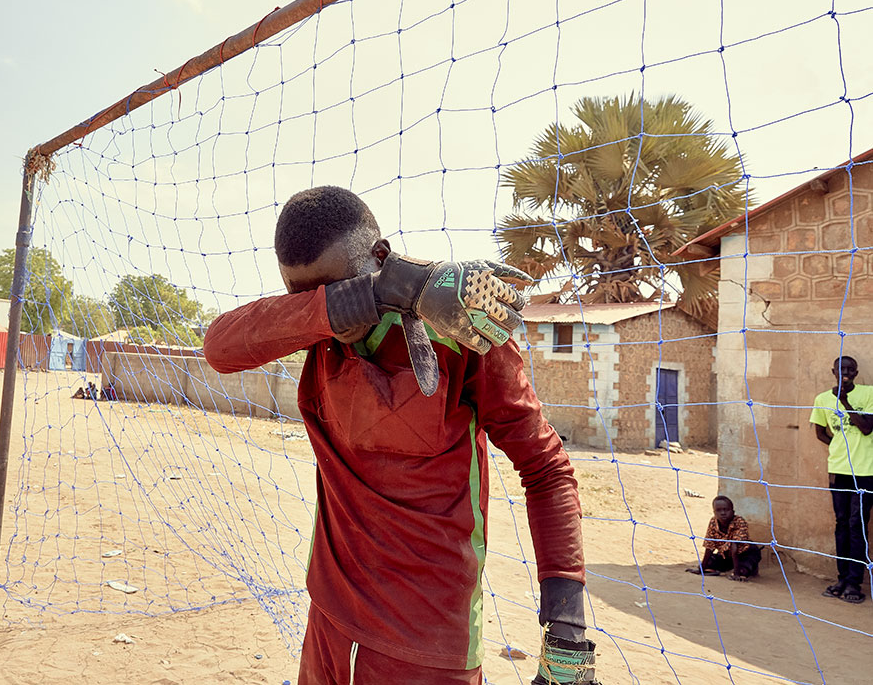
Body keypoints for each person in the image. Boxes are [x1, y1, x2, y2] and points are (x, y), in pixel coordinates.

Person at [203, 186, 597, 685]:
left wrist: (566, 624)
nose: (328, 312)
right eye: (310, 299)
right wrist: (351, 299)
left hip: (426, 644)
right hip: (329, 621)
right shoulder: (316, 325)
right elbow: (219, 347)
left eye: (338, 287)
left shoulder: (462, 331)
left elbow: (547, 471)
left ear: (380, 257)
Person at [811, 355, 873, 604]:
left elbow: (867, 427)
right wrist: (839, 449)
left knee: (857, 524)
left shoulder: (869, 394)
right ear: (833, 371)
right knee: (841, 524)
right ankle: (842, 577)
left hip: (865, 472)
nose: (845, 372)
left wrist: (845, 401)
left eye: (850, 369)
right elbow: (821, 433)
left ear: (856, 372)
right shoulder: (822, 399)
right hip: (838, 471)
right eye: (841, 369)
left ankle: (855, 583)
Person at [687, 496, 761, 581]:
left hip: (744, 553)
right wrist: (701, 569)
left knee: (742, 571)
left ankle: (747, 570)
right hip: (726, 555)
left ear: (733, 511)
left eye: (726, 509)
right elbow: (709, 546)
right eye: (718, 510)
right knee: (708, 563)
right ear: (714, 512)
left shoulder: (739, 522)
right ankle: (720, 569)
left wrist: (736, 574)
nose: (723, 513)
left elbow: (734, 548)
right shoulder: (713, 523)